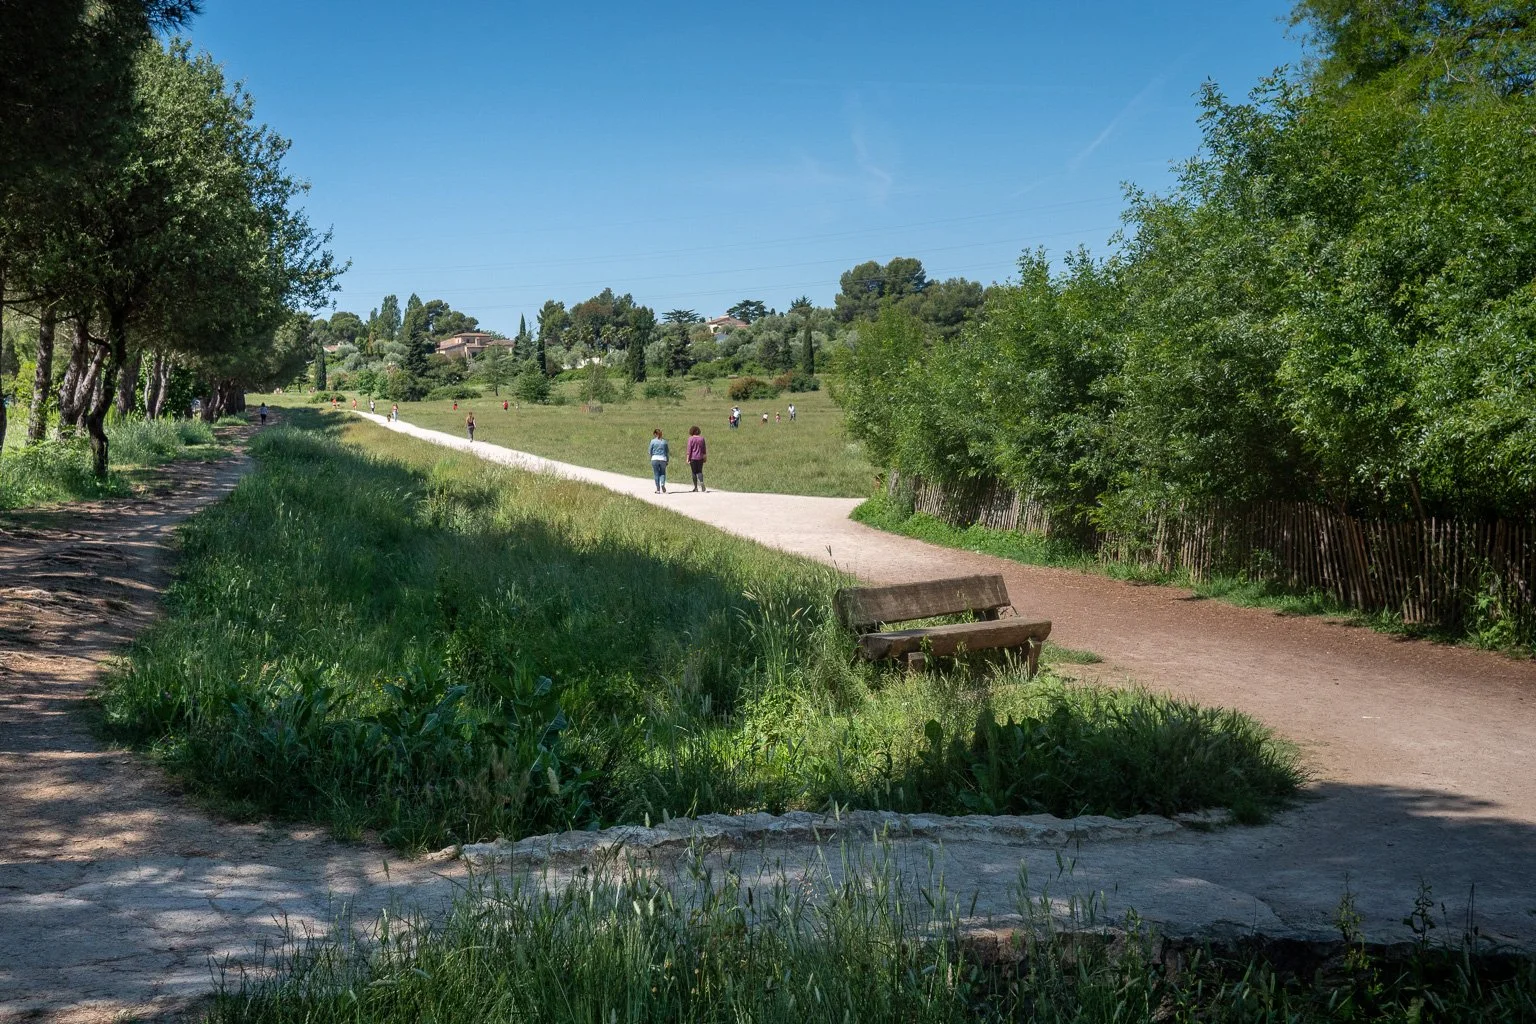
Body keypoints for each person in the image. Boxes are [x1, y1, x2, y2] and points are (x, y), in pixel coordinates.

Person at [686, 425, 707, 492]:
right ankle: (701, 481)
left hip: (693, 458)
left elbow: (689, 450)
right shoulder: (702, 439)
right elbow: (704, 449)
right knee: (700, 471)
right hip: (700, 457)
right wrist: (705, 457)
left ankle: (695, 487)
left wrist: (687, 459)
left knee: (694, 472)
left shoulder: (690, 439)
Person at [648, 428, 670, 493]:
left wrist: (652, 457)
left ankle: (658, 489)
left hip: (655, 458)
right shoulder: (664, 442)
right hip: (663, 459)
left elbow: (649, 451)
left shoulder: (652, 441)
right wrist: (667, 460)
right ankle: (662, 484)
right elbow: (667, 452)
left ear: (655, 434)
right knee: (663, 472)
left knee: (656, 473)